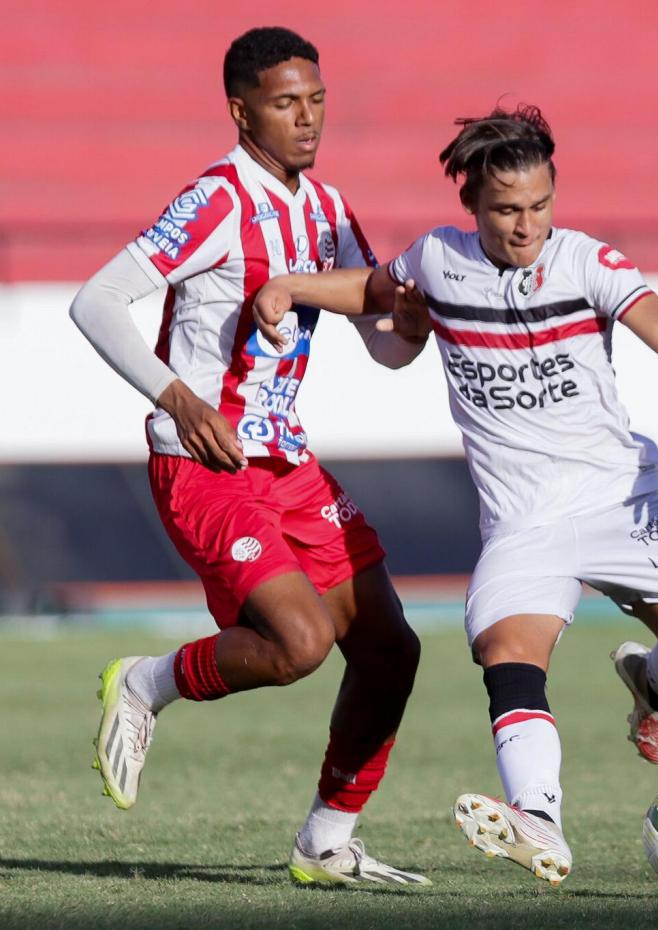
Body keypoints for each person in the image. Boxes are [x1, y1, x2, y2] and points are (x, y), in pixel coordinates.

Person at [252, 105, 658, 886]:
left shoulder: (586, 262)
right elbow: (372, 291)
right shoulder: (438, 260)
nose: (526, 224)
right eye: (507, 209)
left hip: (619, 501)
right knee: (507, 650)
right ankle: (539, 817)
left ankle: (651, 681)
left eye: (540, 205)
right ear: (471, 205)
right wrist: (289, 288)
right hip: (524, 519)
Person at [69, 26, 431, 887]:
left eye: (316, 101)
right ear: (241, 110)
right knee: (299, 643)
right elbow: (96, 302)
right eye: (284, 103)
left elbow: (383, 346)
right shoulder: (219, 201)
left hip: (289, 463)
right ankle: (148, 681)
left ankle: (327, 843)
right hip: (204, 464)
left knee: (391, 649)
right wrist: (179, 399)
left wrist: (412, 323)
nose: (306, 120)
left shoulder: (329, 210)